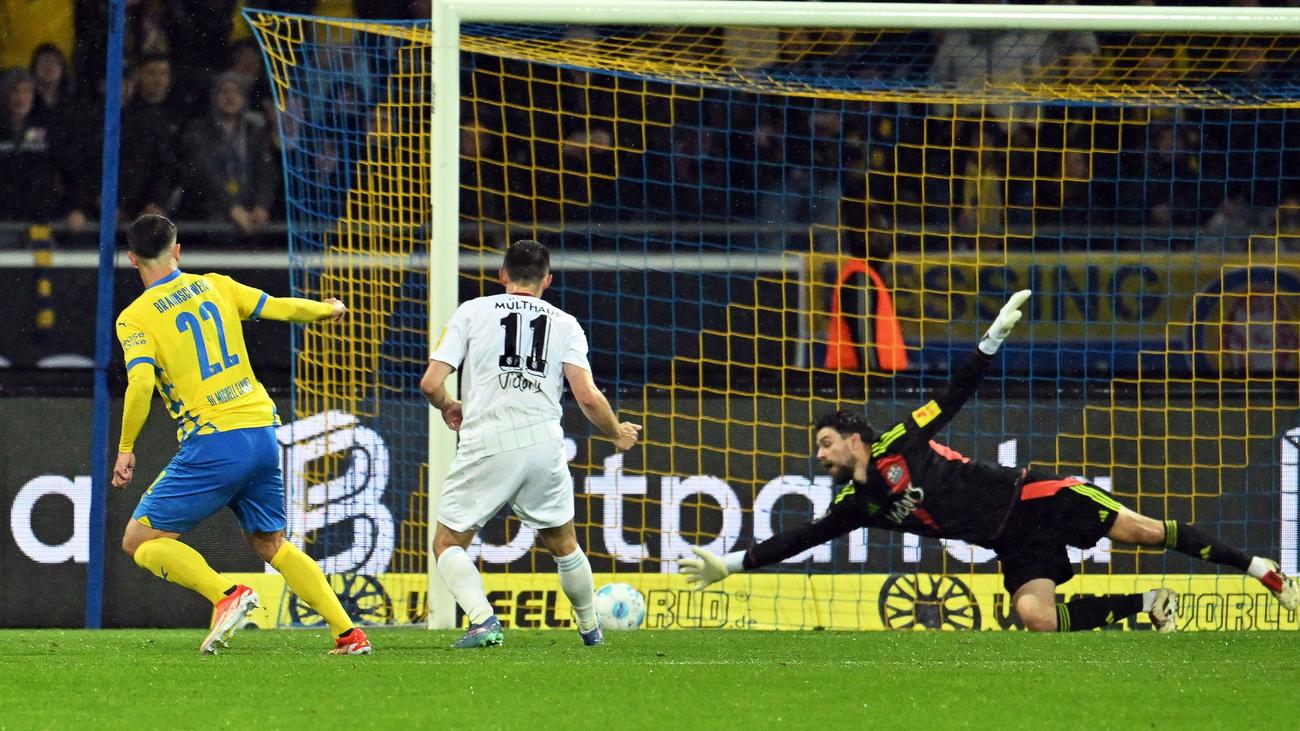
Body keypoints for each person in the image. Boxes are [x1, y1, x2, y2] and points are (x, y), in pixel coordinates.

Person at [682, 290, 1299, 632]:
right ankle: (1147, 605)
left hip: (1035, 497)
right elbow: (799, 538)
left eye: (824, 443)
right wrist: (730, 564)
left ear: (853, 439)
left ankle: (1260, 569)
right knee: (1036, 618)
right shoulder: (856, 504)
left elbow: (953, 396)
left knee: (1142, 531)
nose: (819, 456)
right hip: (1011, 540)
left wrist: (991, 339)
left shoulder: (901, 439)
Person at [112, 214, 372, 655]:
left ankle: (226, 594)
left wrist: (125, 448)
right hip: (262, 432)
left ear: (132, 258)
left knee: (139, 541)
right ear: (177, 250)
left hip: (215, 440)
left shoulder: (135, 318)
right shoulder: (217, 285)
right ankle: (348, 633)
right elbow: (281, 307)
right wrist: (326, 309)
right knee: (271, 543)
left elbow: (139, 384)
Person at [420, 239, 641, 648]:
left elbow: (431, 383)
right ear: (548, 280)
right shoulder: (566, 323)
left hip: (488, 439)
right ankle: (591, 629)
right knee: (564, 543)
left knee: (447, 542)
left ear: (502, 274)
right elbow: (587, 396)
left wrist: (449, 405)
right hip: (544, 443)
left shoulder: (473, 311)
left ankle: (483, 621)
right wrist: (615, 432)